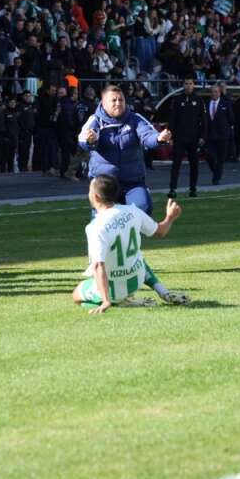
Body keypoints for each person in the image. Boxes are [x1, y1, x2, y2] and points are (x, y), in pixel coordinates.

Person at [73, 174, 189, 313]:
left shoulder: (95, 227)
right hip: (137, 278)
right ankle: (163, 291)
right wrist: (169, 217)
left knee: (76, 295)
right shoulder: (132, 211)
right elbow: (160, 231)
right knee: (136, 258)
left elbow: (99, 265)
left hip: (115, 289)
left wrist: (106, 300)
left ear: (96, 196)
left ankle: (121, 302)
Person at [79, 84, 173, 217]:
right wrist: (91, 140)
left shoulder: (135, 118)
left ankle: (132, 236)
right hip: (105, 183)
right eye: (113, 100)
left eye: (121, 100)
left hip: (132, 181)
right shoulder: (94, 120)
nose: (118, 103)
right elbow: (83, 140)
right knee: (104, 221)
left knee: (143, 208)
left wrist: (159, 138)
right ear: (103, 103)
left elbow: (148, 135)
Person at [168, 77, 205, 199]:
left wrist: (202, 136)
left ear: (194, 85)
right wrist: (170, 135)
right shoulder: (177, 100)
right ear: (183, 85)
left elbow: (203, 120)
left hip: (194, 138)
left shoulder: (199, 100)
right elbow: (172, 119)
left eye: (190, 83)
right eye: (186, 83)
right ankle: (172, 189)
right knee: (176, 164)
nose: (188, 86)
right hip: (179, 138)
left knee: (194, 164)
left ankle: (193, 188)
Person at [205, 82, 235, 185]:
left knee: (221, 158)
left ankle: (216, 178)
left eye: (216, 92)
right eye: (212, 92)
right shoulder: (206, 104)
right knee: (209, 155)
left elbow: (231, 119)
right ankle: (216, 171)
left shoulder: (225, 103)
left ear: (219, 93)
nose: (214, 94)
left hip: (223, 135)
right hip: (210, 135)